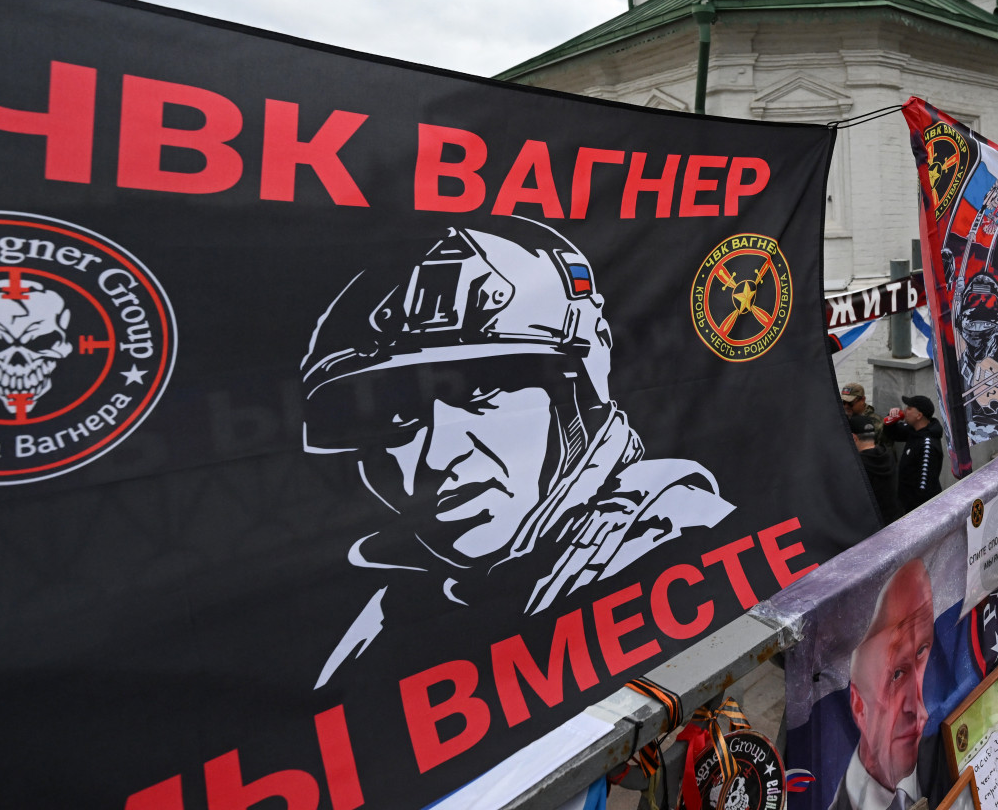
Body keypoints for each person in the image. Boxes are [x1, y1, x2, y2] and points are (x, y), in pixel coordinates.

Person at [299, 218, 734, 689]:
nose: (438, 457)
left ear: (578, 399)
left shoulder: (684, 539)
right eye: (401, 418)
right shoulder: (381, 623)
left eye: (482, 395)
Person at [793, 560, 933, 810]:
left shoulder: (949, 761)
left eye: (923, 652)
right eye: (897, 674)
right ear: (858, 705)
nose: (920, 709)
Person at [884, 395, 945, 514]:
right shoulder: (914, 430)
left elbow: (925, 486)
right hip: (904, 502)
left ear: (919, 415)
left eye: (909, 408)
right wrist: (891, 418)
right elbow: (893, 434)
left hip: (917, 510)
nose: (905, 410)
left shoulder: (928, 445)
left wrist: (909, 512)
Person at [852, 411, 900, 523]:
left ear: (854, 438)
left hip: (871, 526)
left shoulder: (856, 466)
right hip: (894, 522)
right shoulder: (887, 455)